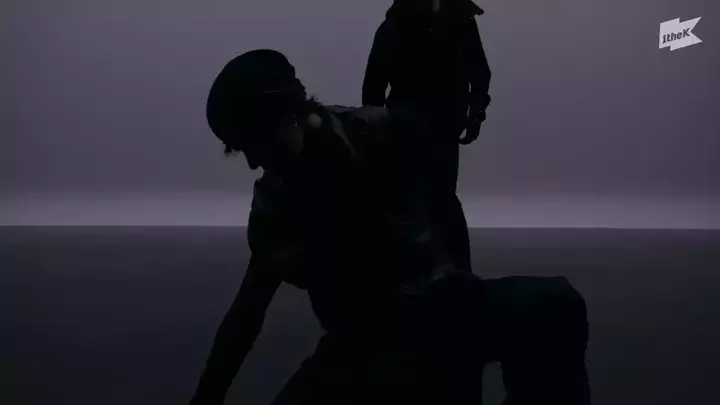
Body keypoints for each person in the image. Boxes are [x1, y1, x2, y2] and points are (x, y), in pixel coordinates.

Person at [190, 49, 591, 405]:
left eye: (257, 143)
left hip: (439, 315)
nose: (254, 162)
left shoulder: (389, 132)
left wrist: (448, 279)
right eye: (242, 150)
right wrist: (207, 397)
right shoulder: (274, 206)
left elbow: (445, 219)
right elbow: (247, 313)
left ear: (291, 113)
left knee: (554, 305)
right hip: (362, 349)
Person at [362, 0, 492, 271]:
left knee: (433, 198)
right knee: (431, 198)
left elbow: (374, 82)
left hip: (428, 122)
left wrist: (475, 114)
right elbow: (374, 81)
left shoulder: (454, 22)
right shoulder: (401, 25)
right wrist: (474, 114)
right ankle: (448, 272)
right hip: (416, 123)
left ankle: (448, 272)